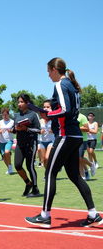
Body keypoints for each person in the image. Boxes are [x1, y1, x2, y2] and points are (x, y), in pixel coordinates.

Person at [25, 57, 102, 228]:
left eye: (48, 71)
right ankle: (93, 214)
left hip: (66, 135)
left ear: (54, 69)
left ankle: (45, 215)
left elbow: (65, 110)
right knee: (74, 175)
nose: (48, 75)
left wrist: (47, 114)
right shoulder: (72, 86)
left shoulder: (60, 84)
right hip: (75, 137)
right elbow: (67, 109)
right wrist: (48, 112)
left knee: (50, 173)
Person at [13, 94, 41, 197]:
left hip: (31, 144)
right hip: (20, 144)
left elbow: (39, 130)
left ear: (27, 103)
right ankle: (28, 183)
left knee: (30, 167)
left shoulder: (33, 114)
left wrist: (26, 129)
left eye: (21, 102)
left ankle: (35, 188)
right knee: (17, 165)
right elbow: (14, 129)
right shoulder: (16, 115)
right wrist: (14, 129)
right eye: (18, 102)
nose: (19, 104)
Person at [78, 113, 96, 180]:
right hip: (72, 140)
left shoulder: (82, 116)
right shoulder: (69, 116)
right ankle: (89, 167)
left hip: (82, 140)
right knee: (78, 159)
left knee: (79, 158)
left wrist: (76, 127)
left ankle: (82, 176)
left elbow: (87, 129)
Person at [0, 108, 14, 174]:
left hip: (9, 140)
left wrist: (11, 130)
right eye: (3, 115)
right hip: (1, 141)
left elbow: (15, 131)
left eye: (6, 115)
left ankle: (10, 167)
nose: (4, 116)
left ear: (8, 114)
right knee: (4, 156)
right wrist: (0, 131)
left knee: (7, 152)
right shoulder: (0, 122)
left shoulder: (12, 122)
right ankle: (9, 168)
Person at [37, 100, 55, 168]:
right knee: (44, 160)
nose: (45, 108)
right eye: (44, 107)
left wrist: (53, 130)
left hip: (51, 141)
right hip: (42, 142)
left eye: (48, 107)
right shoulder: (40, 120)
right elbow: (36, 130)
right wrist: (39, 131)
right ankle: (47, 174)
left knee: (47, 158)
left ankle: (51, 171)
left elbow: (59, 130)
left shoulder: (54, 119)